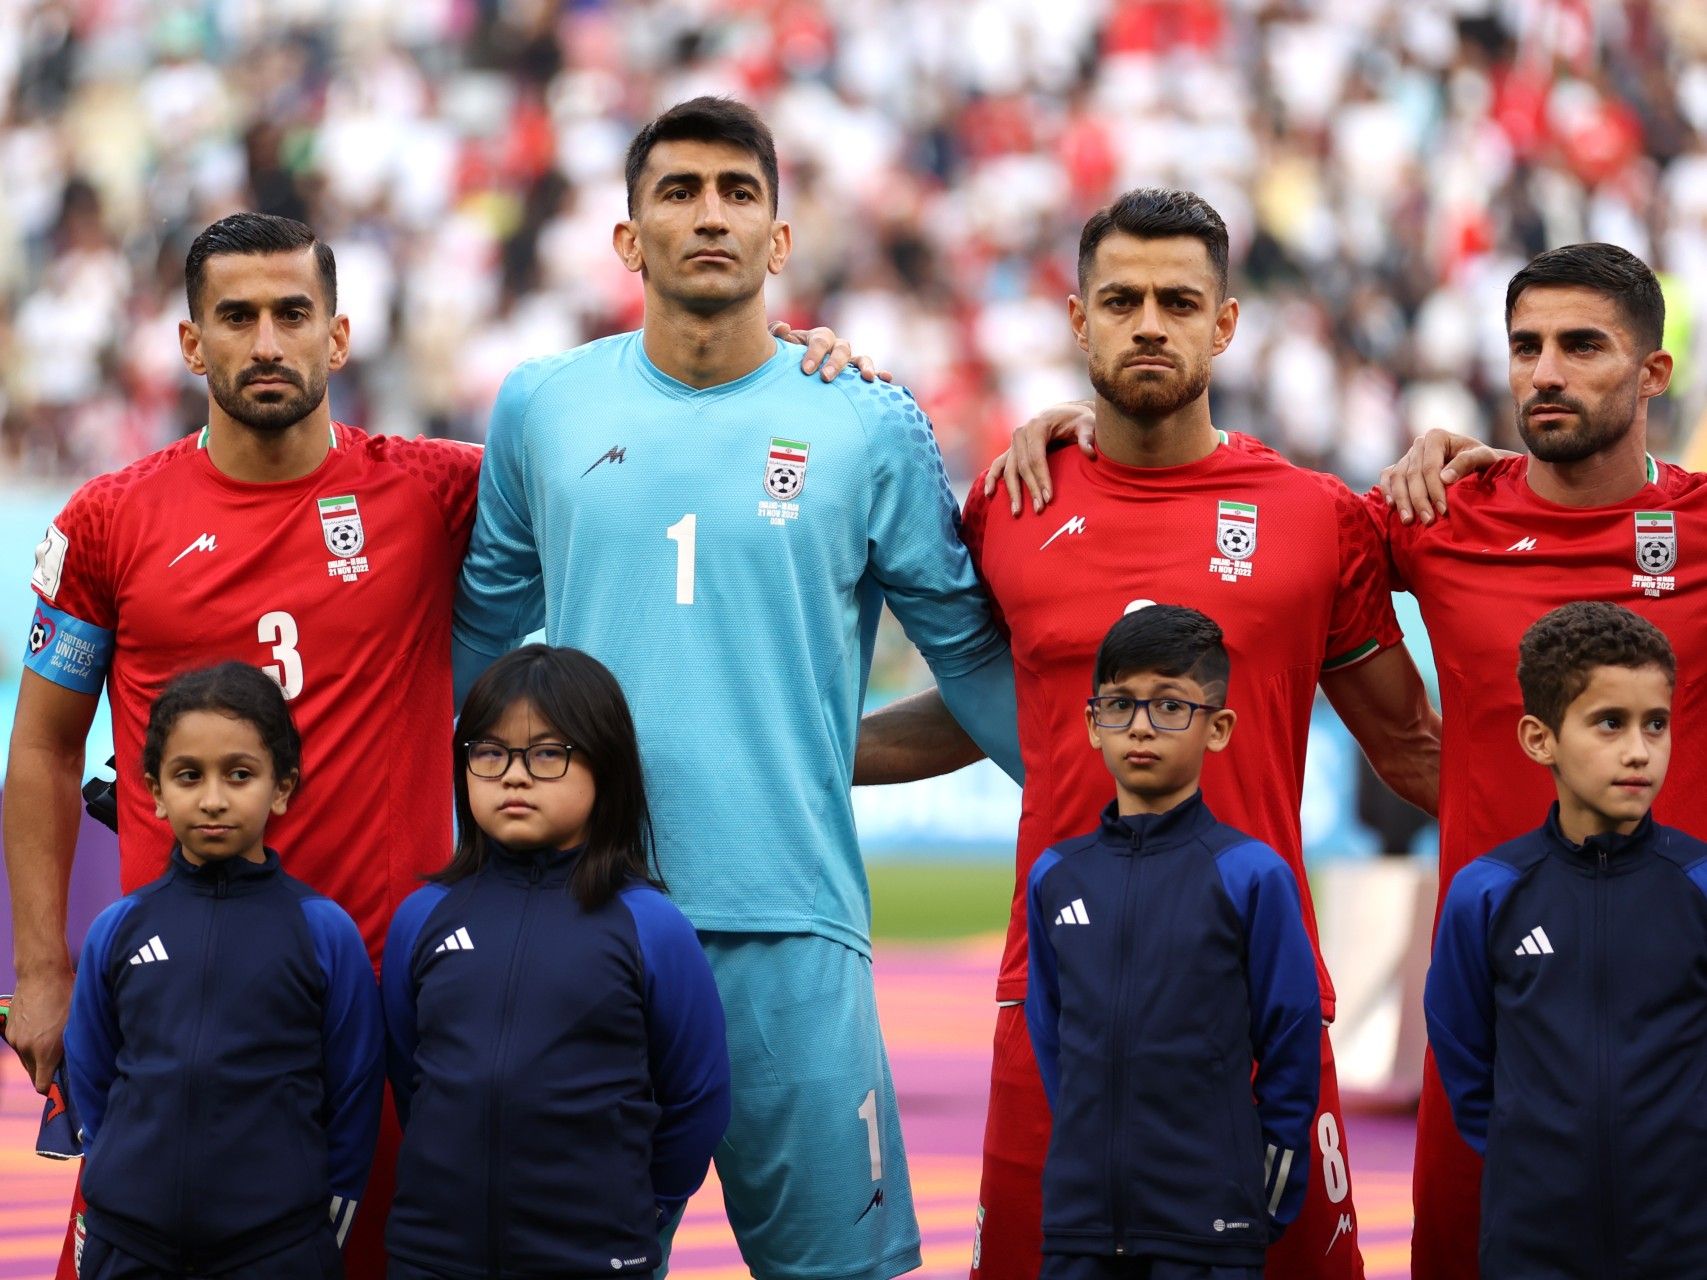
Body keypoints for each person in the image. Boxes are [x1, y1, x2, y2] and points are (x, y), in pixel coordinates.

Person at [3, 209, 872, 1279]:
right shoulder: (107, 520)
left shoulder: (433, 488)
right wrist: (39, 969)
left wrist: (789, 368)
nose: (266, 340)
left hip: (389, 997)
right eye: (236, 316)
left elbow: (635, 460)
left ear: (339, 336)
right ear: (192, 344)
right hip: (181, 996)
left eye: (293, 314)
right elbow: (43, 748)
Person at [999, 240, 1707, 1278]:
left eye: (1581, 346)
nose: (1546, 371)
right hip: (1499, 993)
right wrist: (1085, 438)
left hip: (1674, 995)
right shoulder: (1435, 518)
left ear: (1654, 373)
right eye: (1526, 347)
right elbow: (1265, 527)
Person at [452, 96, 1022, 1280]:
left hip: (794, 931)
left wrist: (1104, 807)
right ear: (629, 238)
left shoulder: (866, 420)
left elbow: (975, 662)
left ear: (779, 238)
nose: (708, 213)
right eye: (677, 190)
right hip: (582, 918)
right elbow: (463, 649)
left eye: (736, 191)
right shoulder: (542, 406)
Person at [856, 188, 1439, 1280]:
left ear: (1225, 324)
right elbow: (993, 708)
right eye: (1120, 300)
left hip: (1253, 991)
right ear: (1078, 319)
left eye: (1180, 301)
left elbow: (1412, 749)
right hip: (1054, 990)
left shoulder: (1318, 516)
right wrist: (812, 752)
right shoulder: (1012, 501)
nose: (1149, 324)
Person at [382, 645, 729, 1278]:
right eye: (489, 752)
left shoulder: (650, 927)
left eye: (547, 754)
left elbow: (696, 1099)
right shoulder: (422, 917)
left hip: (592, 1255)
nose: (513, 775)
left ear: (606, 768)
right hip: (432, 1255)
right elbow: (412, 1076)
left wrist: (638, 1211)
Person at [1026, 607, 1321, 1280]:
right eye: (1120, 704)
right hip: (1082, 1224)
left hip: (1208, 1224)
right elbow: (1053, 1041)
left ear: (1217, 729)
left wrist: (1260, 1191)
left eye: (1168, 706)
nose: (1139, 725)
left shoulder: (1249, 875)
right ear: (1090, 721)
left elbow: (1290, 1046)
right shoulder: (1056, 876)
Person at [62, 662, 383, 1279]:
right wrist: (117, 1201)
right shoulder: (119, 930)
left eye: (240, 775)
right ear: (155, 791)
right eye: (189, 776)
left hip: (277, 1249)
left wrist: (312, 1227)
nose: (213, 798)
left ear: (281, 788)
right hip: (131, 1247)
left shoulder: (323, 933)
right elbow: (93, 1079)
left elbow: (355, 1093)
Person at [1424, 601, 1707, 1276]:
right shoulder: (1486, 892)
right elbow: (1465, 1061)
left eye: (1655, 725)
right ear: (1537, 737)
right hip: (1533, 1240)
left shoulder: (1697, 883)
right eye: (1608, 723)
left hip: (1683, 1241)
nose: (1638, 750)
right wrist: (1533, 1154)